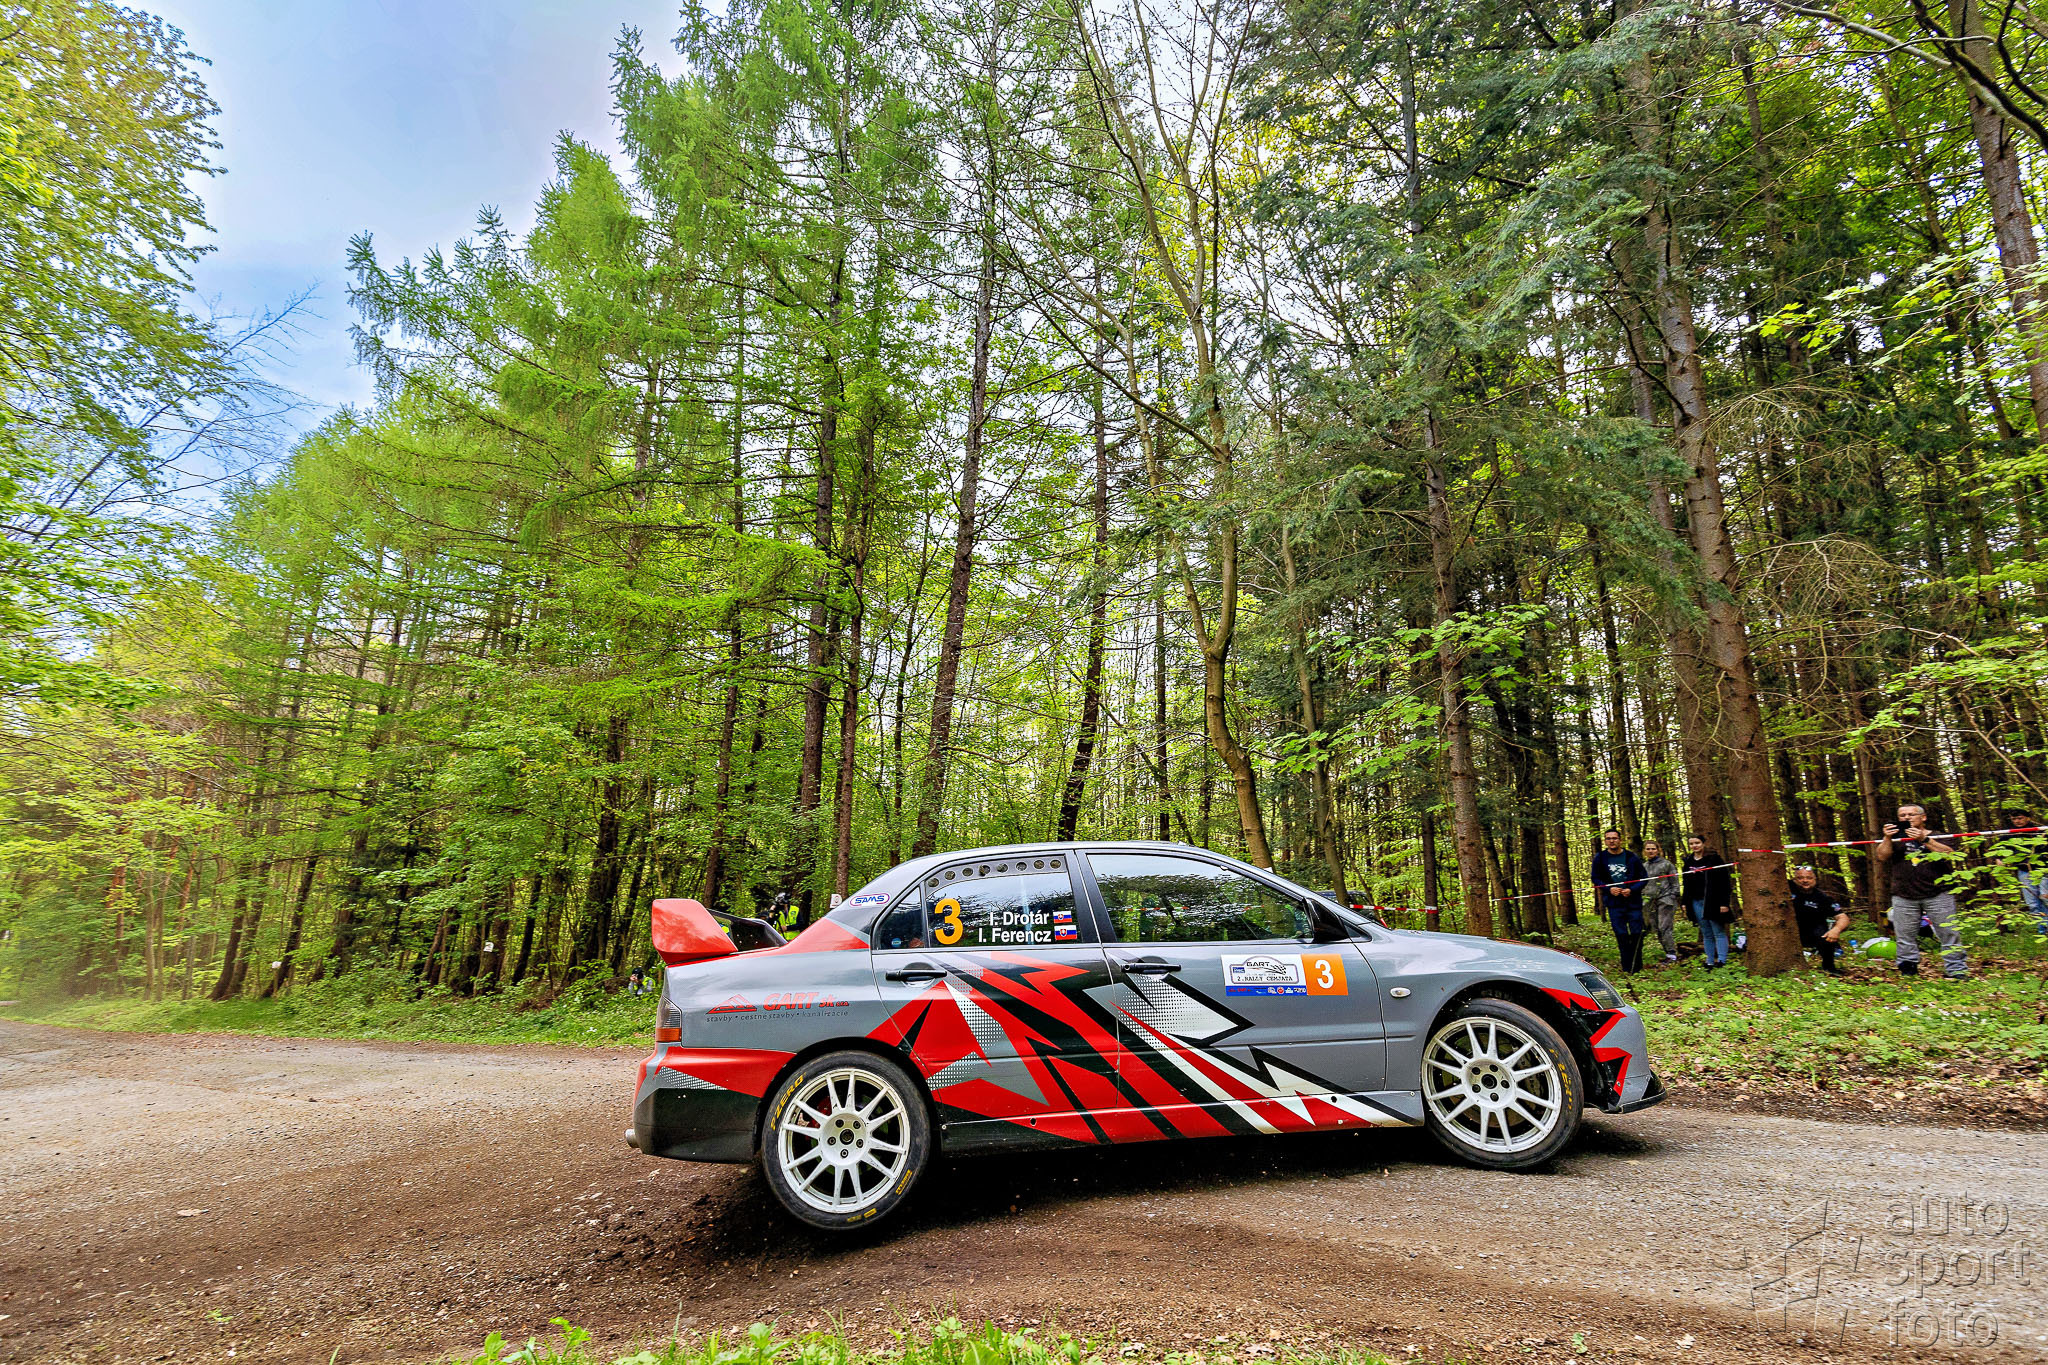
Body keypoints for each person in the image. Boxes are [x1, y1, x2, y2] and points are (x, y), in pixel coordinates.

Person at [1876, 803, 1967, 979]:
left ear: (1923, 817)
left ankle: (1956, 970)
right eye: (1902, 815)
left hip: (1938, 892)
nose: (1906, 818)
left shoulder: (1939, 835)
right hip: (1904, 894)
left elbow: (1950, 854)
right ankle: (1908, 969)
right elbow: (1881, 856)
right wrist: (1887, 837)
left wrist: (1924, 839)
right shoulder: (1896, 838)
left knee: (1949, 932)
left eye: (1911, 814)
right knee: (1904, 935)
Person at [1591, 828, 1650, 973]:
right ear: (1605, 841)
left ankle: (1637, 966)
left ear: (1620, 840)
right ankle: (1626, 967)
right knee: (1621, 935)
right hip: (1614, 903)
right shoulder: (1600, 858)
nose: (1612, 841)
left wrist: (1632, 889)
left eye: (1614, 838)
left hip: (1633, 902)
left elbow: (1644, 878)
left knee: (1636, 933)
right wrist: (1608, 889)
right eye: (1608, 838)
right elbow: (1595, 878)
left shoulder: (1631, 857)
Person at [1682, 835, 1737, 969]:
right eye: (1691, 844)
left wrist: (1724, 903)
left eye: (1697, 843)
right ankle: (1710, 961)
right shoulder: (1688, 861)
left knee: (1718, 931)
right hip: (1696, 901)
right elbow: (1686, 883)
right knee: (1706, 933)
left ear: (1703, 843)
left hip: (1713, 901)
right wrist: (1684, 902)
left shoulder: (1714, 859)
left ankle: (1722, 960)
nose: (1694, 846)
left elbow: (1725, 882)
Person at [1787, 866, 1850, 975]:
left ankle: (1829, 967)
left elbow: (1843, 917)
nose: (1805, 880)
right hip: (1787, 932)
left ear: (1815, 879)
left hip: (1812, 933)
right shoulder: (1785, 888)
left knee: (1825, 934)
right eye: (1800, 878)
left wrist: (1836, 930)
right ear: (1794, 879)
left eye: (1809, 878)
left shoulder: (1823, 898)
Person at [1641, 838, 1681, 963]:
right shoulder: (1644, 866)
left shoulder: (1666, 864)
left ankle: (1672, 954)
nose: (1651, 851)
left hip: (1666, 899)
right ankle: (1667, 953)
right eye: (1648, 849)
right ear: (1644, 851)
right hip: (1649, 901)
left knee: (1664, 927)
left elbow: (1675, 882)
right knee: (1656, 928)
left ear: (1658, 850)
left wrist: (1673, 896)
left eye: (1653, 849)